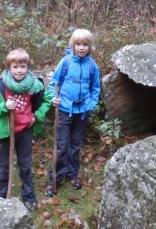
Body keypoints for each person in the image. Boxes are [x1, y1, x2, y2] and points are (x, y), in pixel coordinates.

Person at [0, 48, 53, 211]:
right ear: (9, 68)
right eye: (15, 67)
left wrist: (37, 116)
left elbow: (47, 99)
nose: (19, 70)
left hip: (24, 131)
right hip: (6, 132)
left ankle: (28, 196)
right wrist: (4, 106)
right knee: (4, 166)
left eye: (23, 66)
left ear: (28, 67)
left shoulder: (35, 84)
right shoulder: (0, 85)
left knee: (25, 165)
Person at [45, 29, 101, 196]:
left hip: (82, 112)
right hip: (64, 110)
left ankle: (72, 174)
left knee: (75, 145)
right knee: (62, 146)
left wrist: (91, 104)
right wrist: (52, 98)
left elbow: (95, 87)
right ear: (73, 45)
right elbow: (52, 85)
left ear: (90, 46)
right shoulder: (66, 62)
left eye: (85, 44)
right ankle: (54, 178)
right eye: (78, 44)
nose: (81, 48)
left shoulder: (92, 66)